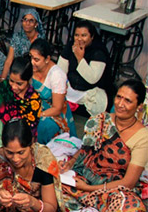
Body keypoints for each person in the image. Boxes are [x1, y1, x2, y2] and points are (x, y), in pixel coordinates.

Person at [60, 80, 148, 211]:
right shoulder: (100, 119)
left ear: (139, 106)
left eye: (128, 101)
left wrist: (88, 189)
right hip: (84, 176)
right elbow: (86, 150)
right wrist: (71, 162)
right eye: (119, 97)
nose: (120, 104)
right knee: (49, 182)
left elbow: (128, 183)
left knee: (133, 208)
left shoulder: (143, 137)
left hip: (114, 187)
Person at [0, 118, 62, 212]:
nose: (15, 159)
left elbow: (51, 207)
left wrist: (33, 203)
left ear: (31, 144)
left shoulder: (43, 162)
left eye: (21, 152)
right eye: (9, 153)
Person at [57, 20, 114, 116]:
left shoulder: (98, 52)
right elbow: (60, 70)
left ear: (92, 37)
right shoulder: (70, 46)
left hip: (89, 92)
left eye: (84, 35)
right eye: (76, 35)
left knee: (93, 105)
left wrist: (80, 58)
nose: (79, 39)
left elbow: (92, 79)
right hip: (70, 88)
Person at [0, 56, 41, 149]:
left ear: (29, 80)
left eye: (19, 84)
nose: (14, 87)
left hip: (18, 139)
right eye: (11, 81)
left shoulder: (34, 101)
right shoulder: (3, 88)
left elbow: (29, 132)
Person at [29, 38, 77, 144]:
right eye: (31, 57)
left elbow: (57, 108)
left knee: (43, 126)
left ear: (47, 59)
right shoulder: (31, 68)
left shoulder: (57, 75)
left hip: (53, 113)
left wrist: (37, 115)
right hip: (34, 105)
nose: (32, 62)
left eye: (36, 60)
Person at [0, 9, 46, 80]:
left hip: (33, 72)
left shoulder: (40, 40)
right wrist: (2, 80)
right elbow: (9, 60)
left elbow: (41, 65)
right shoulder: (17, 37)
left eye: (31, 21)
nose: (27, 23)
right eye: (25, 19)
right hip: (16, 67)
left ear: (36, 24)